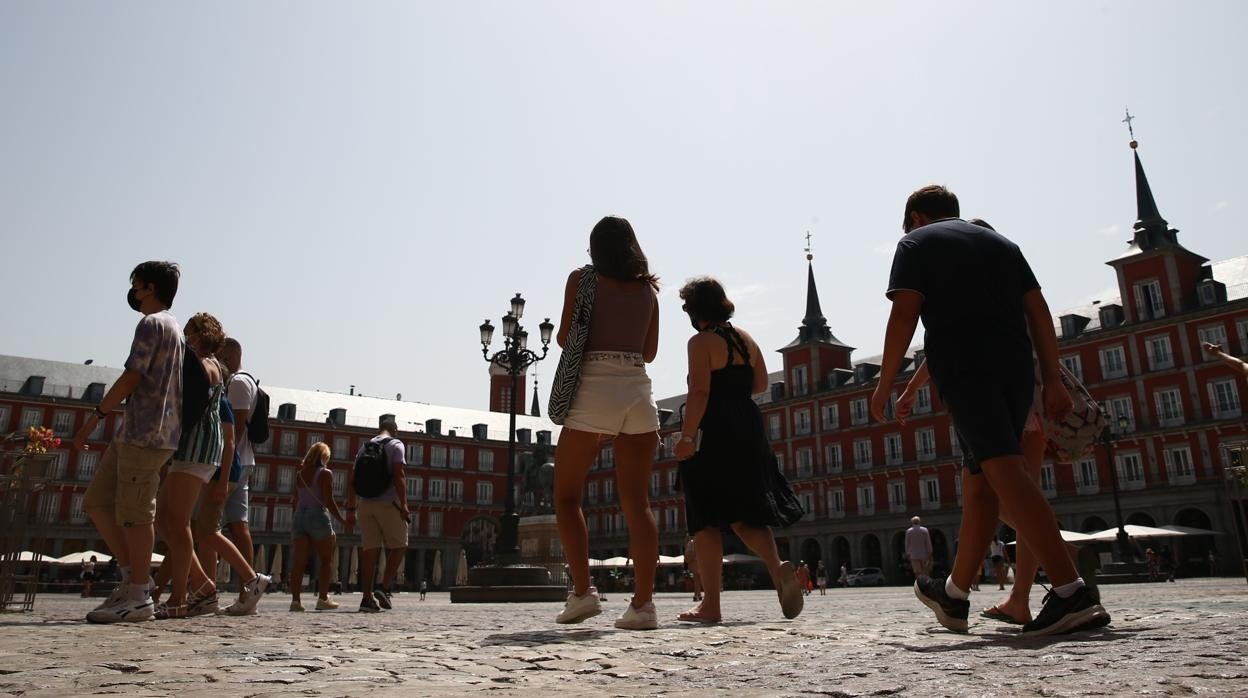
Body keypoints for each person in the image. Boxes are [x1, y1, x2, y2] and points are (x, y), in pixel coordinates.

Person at [874, 186, 1110, 636]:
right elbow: (1038, 309)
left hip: (966, 366)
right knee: (981, 480)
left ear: (917, 216)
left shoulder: (916, 243)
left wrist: (886, 384)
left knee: (1004, 471)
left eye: (908, 224)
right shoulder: (1002, 243)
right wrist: (1055, 379)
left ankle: (1070, 591)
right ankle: (955, 595)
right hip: (1015, 367)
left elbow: (904, 316)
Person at [673, 277, 803, 624]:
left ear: (696, 310)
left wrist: (686, 437)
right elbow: (760, 383)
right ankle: (778, 570)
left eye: (687, 307)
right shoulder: (746, 339)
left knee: (704, 517)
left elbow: (699, 392)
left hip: (713, 427)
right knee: (745, 512)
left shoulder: (700, 342)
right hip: (747, 424)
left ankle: (711, 605)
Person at [553, 216, 662, 631]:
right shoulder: (649, 290)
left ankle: (582, 593)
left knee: (566, 496)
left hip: (594, 389)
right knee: (637, 503)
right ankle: (643, 606)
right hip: (638, 391)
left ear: (594, 249)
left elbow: (566, 337)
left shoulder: (582, 281)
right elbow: (649, 351)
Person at [72, 261, 184, 624]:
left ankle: (139, 597)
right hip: (137, 433)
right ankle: (131, 578)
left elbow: (132, 376)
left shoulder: (152, 323)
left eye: (136, 284)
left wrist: (95, 416)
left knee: (136, 515)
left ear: (149, 288)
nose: (132, 291)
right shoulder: (175, 328)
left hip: (145, 433)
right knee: (98, 502)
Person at [347, 420, 409, 613]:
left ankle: (366, 599)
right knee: (399, 547)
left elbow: (353, 477)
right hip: (388, 503)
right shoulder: (396, 445)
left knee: (369, 552)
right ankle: (384, 587)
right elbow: (399, 475)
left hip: (365, 504)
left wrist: (351, 506)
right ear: (394, 430)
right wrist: (404, 505)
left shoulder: (365, 447)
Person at [289, 442, 346, 612]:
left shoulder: (299, 474)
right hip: (317, 515)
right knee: (326, 560)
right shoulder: (325, 473)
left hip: (299, 516)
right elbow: (328, 501)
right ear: (323, 457)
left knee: (299, 562)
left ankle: (296, 601)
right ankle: (322, 598)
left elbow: (295, 500)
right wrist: (342, 520)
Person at [217, 338, 257, 570]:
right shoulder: (243, 381)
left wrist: (223, 461)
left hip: (233, 463)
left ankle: (248, 582)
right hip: (240, 460)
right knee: (236, 525)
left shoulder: (238, 383)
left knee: (209, 526)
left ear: (229, 358)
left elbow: (237, 427)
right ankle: (249, 583)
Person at [685, 537, 703, 602]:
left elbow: (687, 554)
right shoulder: (697, 541)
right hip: (699, 562)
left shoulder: (691, 542)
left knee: (696, 580)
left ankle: (697, 595)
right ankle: (698, 594)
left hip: (694, 562)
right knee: (700, 580)